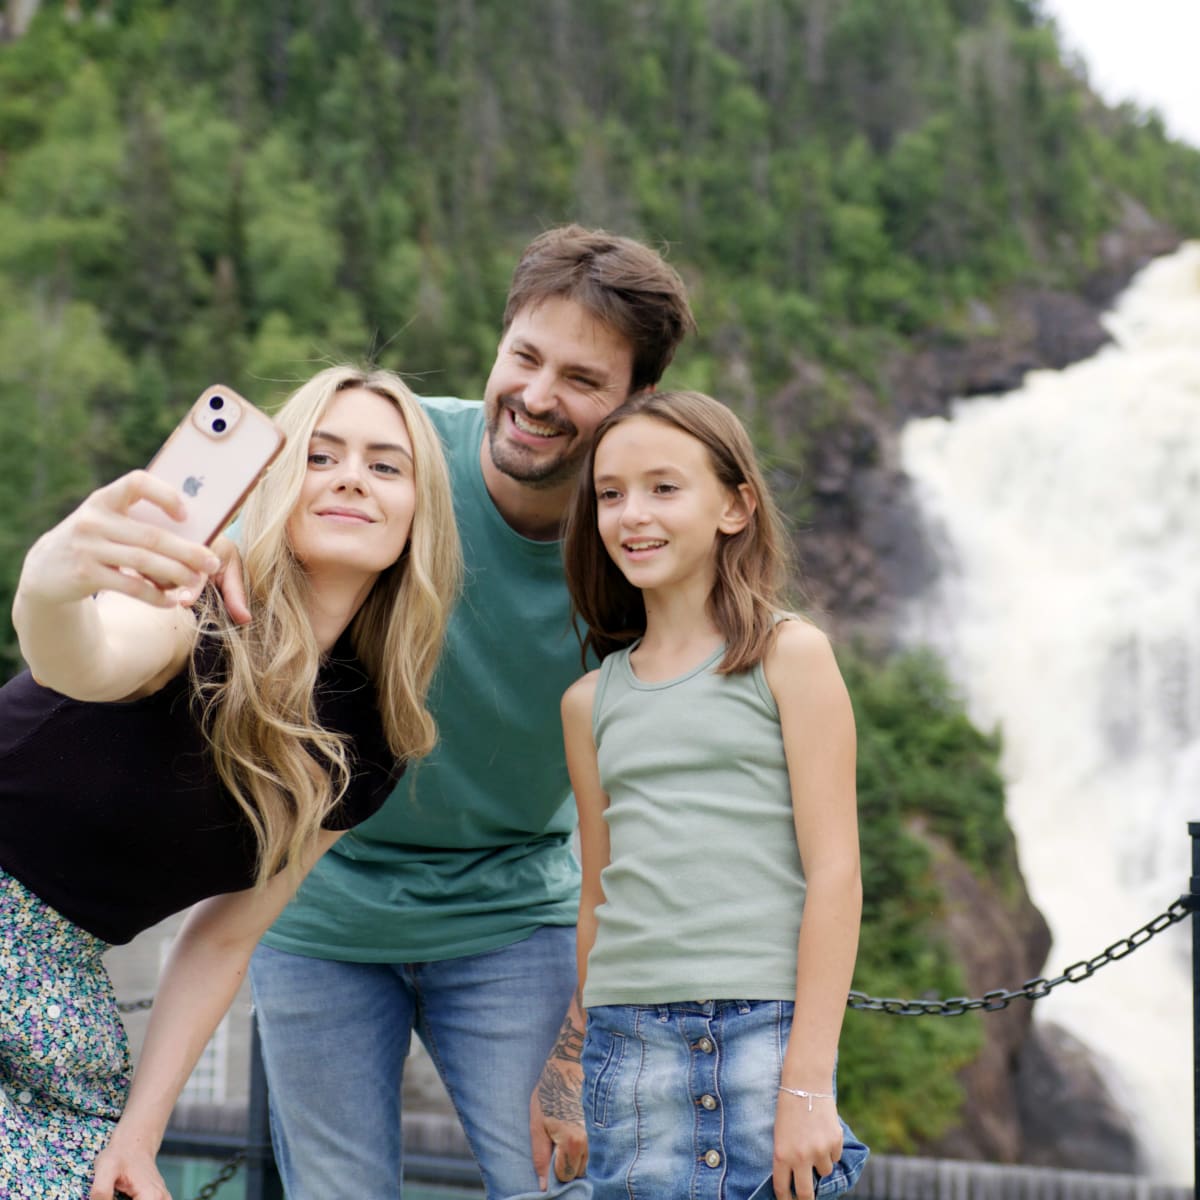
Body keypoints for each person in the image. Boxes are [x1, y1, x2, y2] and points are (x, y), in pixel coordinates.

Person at [238, 226, 696, 1199]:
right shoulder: (394, 463)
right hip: (318, 905)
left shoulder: (640, 543)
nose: (535, 395)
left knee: (566, 1182)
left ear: (637, 404)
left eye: (581, 378)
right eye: (524, 357)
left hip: (514, 915)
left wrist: (588, 1034)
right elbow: (230, 570)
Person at [0, 365, 460, 1200]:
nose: (353, 474)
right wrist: (51, 579)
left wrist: (141, 1139)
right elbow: (86, 659)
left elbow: (224, 939)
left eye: (386, 465)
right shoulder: (195, 603)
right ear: (278, 483)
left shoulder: (371, 746)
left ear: (417, 518)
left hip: (50, 993)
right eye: (321, 455)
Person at [559, 390, 869, 1200]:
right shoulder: (589, 703)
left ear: (735, 506)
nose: (632, 514)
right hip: (627, 1047)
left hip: (766, 1034)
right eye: (612, 493)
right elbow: (597, 896)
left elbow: (836, 873)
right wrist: (565, 1073)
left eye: (665, 488)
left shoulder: (790, 658)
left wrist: (808, 1084)